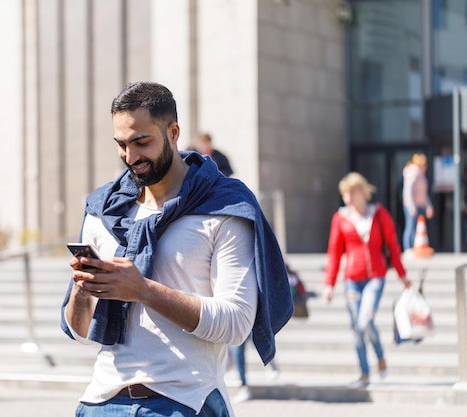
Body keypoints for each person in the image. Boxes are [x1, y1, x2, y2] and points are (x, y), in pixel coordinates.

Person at [60, 81, 293, 416]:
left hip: (186, 400)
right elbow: (81, 333)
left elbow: (238, 325)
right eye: (122, 144)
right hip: (101, 401)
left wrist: (143, 290)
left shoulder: (223, 205)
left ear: (173, 132)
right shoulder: (103, 210)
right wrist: (83, 291)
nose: (131, 156)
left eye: (142, 142)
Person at [323, 172, 411, 388]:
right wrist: (329, 284)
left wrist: (402, 275)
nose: (348, 198)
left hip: (375, 277)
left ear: (362, 192)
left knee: (365, 320)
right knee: (356, 327)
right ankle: (364, 372)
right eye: (344, 194)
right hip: (352, 278)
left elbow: (393, 246)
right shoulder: (341, 218)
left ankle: (380, 357)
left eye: (351, 192)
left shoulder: (379, 214)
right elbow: (334, 253)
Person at [402, 153, 433, 252]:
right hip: (412, 206)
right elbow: (408, 191)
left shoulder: (422, 176)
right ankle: (408, 248)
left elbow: (424, 194)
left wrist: (429, 206)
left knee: (418, 229)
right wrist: (411, 206)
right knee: (410, 227)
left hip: (420, 205)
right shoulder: (413, 173)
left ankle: (416, 248)